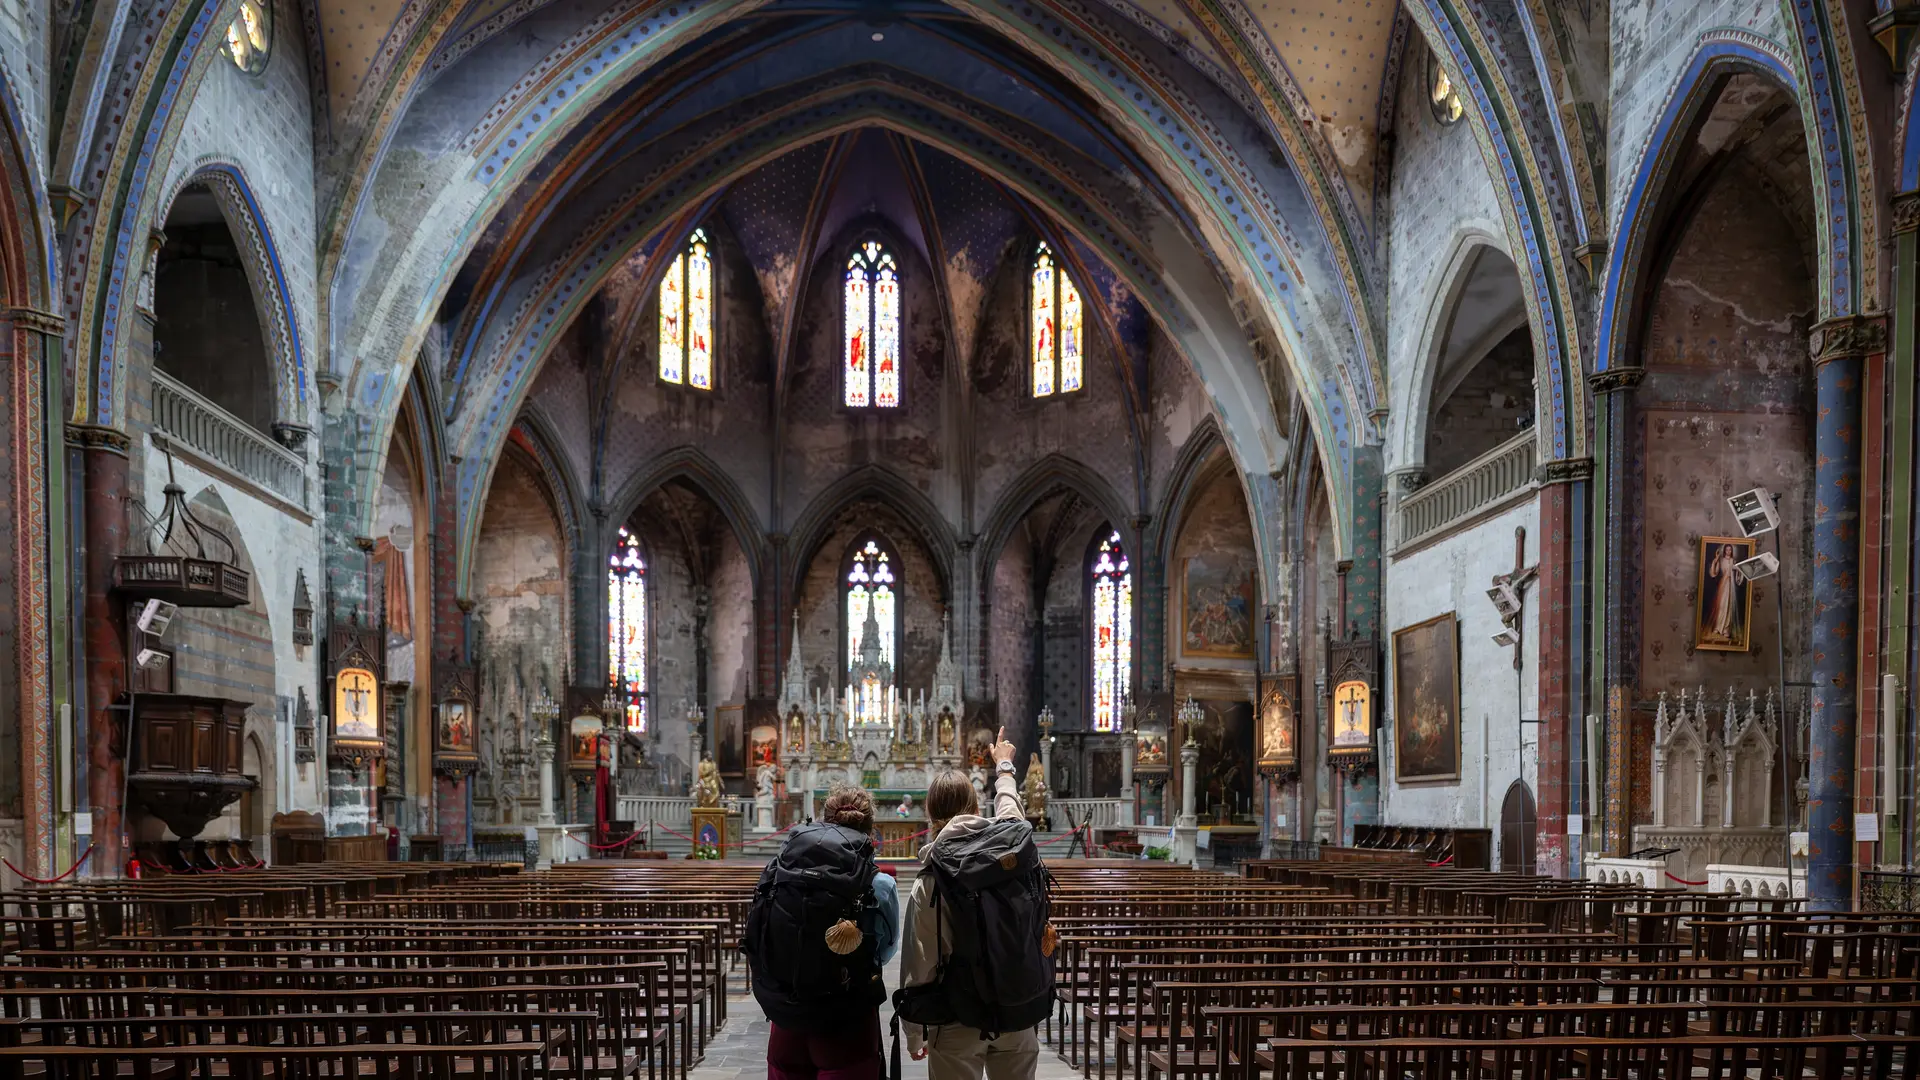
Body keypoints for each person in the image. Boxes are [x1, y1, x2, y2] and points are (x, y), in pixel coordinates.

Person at [899, 727, 1043, 1080]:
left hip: (957, 1016)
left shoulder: (932, 878)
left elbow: (921, 964)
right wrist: (1004, 766)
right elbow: (1012, 814)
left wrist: (914, 1030)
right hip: (1017, 1008)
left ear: (930, 815)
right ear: (977, 806)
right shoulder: (1010, 849)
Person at [755, 785, 900, 1080]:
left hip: (787, 1014)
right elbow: (885, 950)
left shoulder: (780, 869)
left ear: (824, 819)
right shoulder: (880, 884)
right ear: (871, 827)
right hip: (847, 1020)